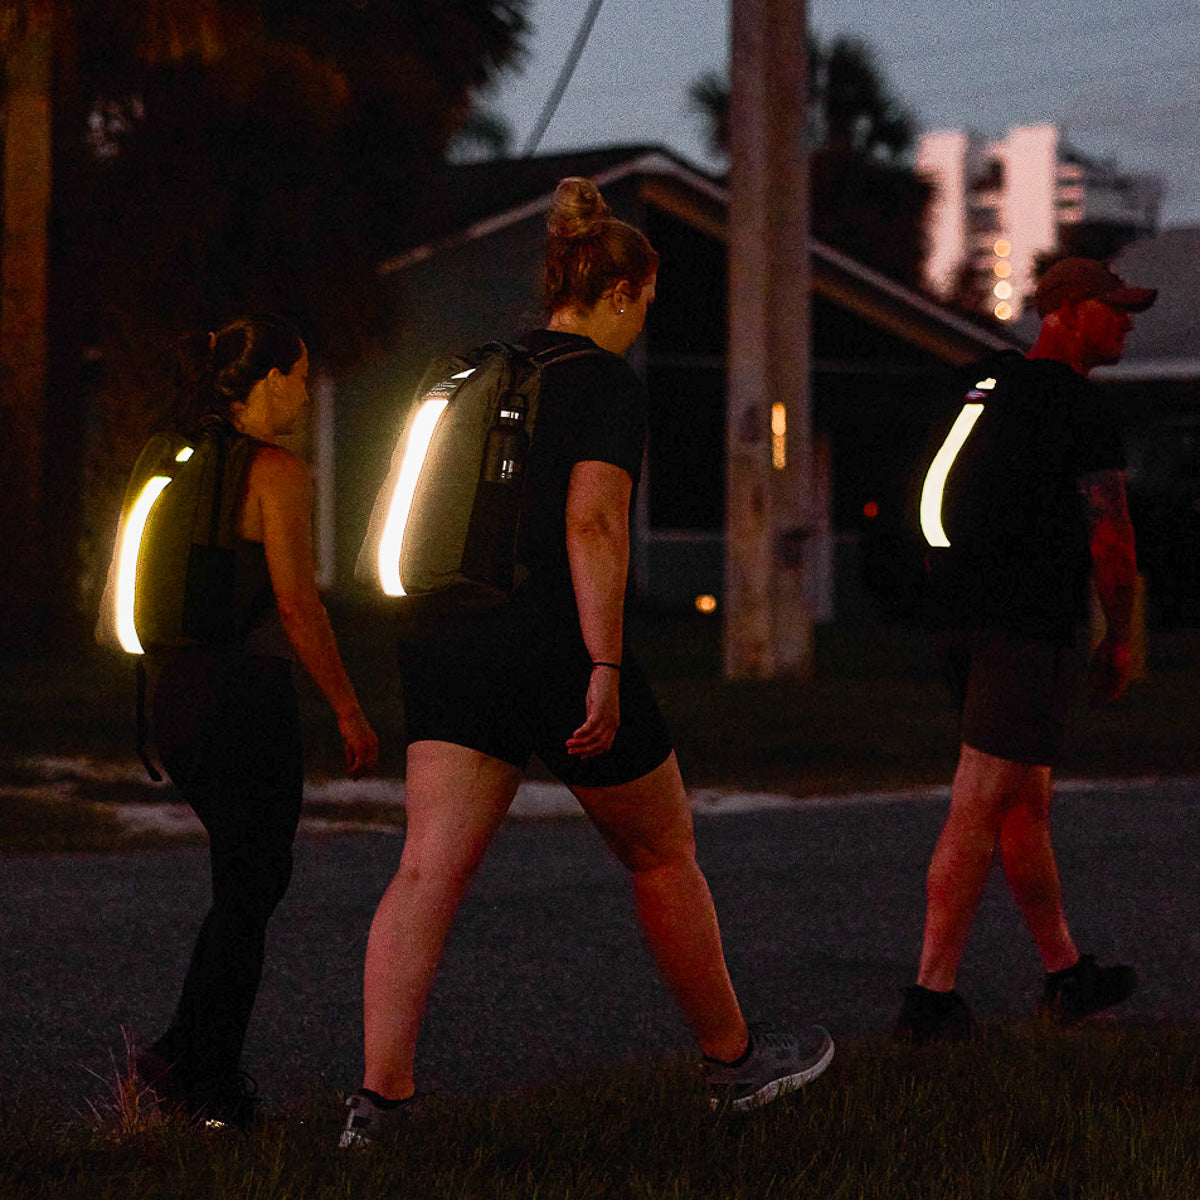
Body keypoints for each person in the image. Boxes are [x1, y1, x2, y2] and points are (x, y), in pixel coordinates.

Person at [340, 178, 833, 1146]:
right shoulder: (604, 383)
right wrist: (602, 664)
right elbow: (594, 520)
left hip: (444, 635)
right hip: (550, 640)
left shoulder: (470, 368)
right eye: (645, 303)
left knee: (425, 871)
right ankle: (734, 1065)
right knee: (661, 852)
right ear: (620, 293)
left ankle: (381, 1103)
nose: (644, 322)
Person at [895, 257, 1156, 1044]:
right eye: (1114, 308)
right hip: (1025, 627)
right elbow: (1111, 531)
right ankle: (931, 996)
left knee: (1023, 802)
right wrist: (1120, 635)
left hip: (959, 617)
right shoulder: (1078, 405)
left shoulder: (989, 387)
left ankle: (1065, 973)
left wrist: (945, 571)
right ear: (1069, 311)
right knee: (980, 798)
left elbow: (935, 487)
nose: (1128, 321)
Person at [132, 315, 379, 1126]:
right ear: (266, 379)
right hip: (243, 700)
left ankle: (183, 1059)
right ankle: (202, 1082)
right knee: (251, 888)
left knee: (242, 883)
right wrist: (347, 706)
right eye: (301, 376)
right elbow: (298, 604)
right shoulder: (276, 473)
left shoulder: (173, 458)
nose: (306, 392)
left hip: (173, 696)